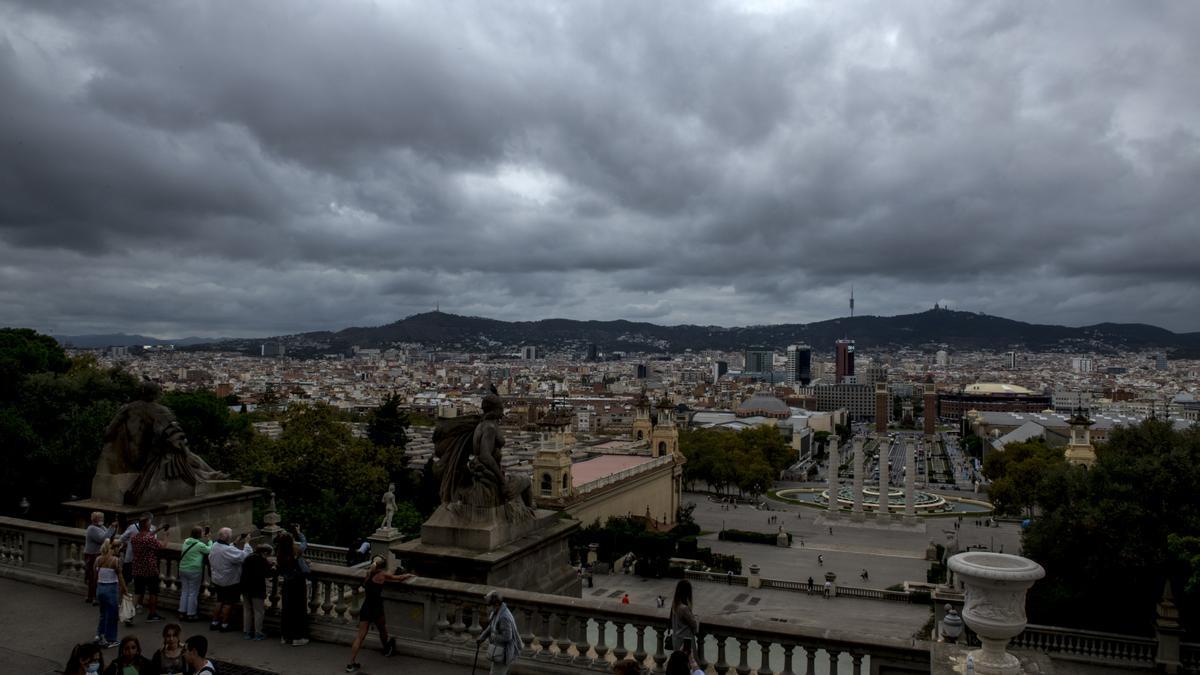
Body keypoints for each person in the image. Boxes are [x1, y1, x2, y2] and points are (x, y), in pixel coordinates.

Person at [345, 556, 414, 672]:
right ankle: (387, 649)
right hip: (376, 608)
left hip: (366, 607)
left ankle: (350, 663)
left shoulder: (368, 573)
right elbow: (399, 578)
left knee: (360, 636)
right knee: (382, 629)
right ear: (382, 566)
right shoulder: (382, 575)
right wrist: (409, 575)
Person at [208, 527, 252, 632]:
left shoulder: (214, 545)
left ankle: (214, 622)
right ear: (228, 537)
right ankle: (224, 624)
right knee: (228, 603)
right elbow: (245, 556)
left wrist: (236, 542)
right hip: (229, 581)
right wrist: (247, 543)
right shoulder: (227, 550)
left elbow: (227, 549)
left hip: (217, 579)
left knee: (219, 600)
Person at [130, 514, 170, 622]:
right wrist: (166, 535)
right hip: (150, 569)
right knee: (153, 592)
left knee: (138, 592)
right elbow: (163, 546)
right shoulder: (149, 539)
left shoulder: (134, 538)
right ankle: (152, 614)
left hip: (137, 568)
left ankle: (129, 615)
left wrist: (159, 529)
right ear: (147, 525)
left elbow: (147, 535)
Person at [476, 590, 524, 675]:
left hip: (504, 652)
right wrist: (482, 638)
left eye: (490, 605)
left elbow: (507, 637)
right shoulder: (497, 612)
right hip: (498, 650)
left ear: (497, 604)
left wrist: (493, 637)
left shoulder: (503, 617)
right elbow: (491, 626)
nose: (488, 608)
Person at [276, 532, 311, 646]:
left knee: (287, 610)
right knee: (298, 610)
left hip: (287, 584)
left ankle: (285, 637)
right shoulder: (296, 552)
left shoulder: (280, 554)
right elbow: (304, 543)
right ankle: (297, 637)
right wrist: (299, 533)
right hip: (298, 584)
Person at [93, 539, 125, 648]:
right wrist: (125, 590)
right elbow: (120, 576)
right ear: (112, 548)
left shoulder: (98, 559)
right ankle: (111, 639)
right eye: (117, 546)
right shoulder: (115, 560)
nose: (119, 548)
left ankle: (99, 635)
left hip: (100, 588)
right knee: (112, 615)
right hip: (110, 589)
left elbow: (95, 575)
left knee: (103, 614)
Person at [178, 525, 212, 621]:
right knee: (193, 592)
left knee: (184, 591)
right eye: (201, 532)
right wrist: (209, 540)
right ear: (199, 534)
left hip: (182, 569)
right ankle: (191, 614)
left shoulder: (186, 541)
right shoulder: (199, 545)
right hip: (194, 570)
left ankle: (182, 611)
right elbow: (209, 550)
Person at [241, 544, 274, 641]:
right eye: (268, 554)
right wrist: (273, 567)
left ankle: (247, 632)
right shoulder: (262, 561)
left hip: (245, 587)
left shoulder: (248, 557)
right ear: (264, 553)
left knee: (247, 610)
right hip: (257, 589)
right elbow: (267, 574)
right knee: (258, 611)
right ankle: (258, 633)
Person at [84, 511, 117, 605]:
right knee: (93, 576)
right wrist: (111, 527)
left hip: (97, 554)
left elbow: (109, 536)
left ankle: (92, 596)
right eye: (100, 518)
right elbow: (103, 539)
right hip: (92, 555)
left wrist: (113, 529)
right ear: (95, 519)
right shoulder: (92, 529)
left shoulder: (101, 527)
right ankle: (93, 597)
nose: (102, 520)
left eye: (102, 518)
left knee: (96, 576)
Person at [668, 579, 699, 652]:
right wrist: (696, 618)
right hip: (685, 641)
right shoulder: (684, 608)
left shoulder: (675, 605)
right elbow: (694, 624)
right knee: (689, 661)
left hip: (676, 639)